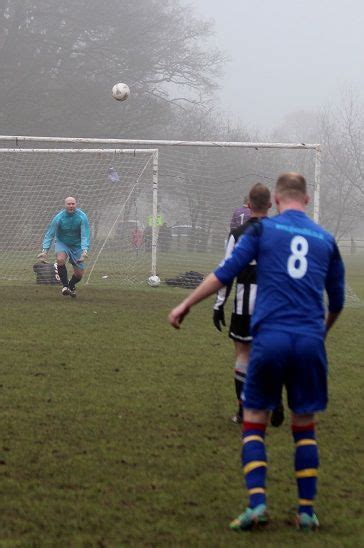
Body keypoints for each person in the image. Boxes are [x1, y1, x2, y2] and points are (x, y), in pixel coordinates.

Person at [169, 172, 345, 532]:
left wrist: (186, 304)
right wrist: (319, 333)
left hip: (270, 340)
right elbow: (337, 301)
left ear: (277, 201)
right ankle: (307, 511)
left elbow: (225, 272)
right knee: (304, 428)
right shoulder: (326, 239)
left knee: (253, 423)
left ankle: (257, 505)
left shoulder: (262, 231)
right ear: (306, 201)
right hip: (309, 341)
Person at [213, 183, 284, 427]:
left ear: (249, 205)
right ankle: (274, 399)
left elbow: (226, 270)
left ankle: (244, 410)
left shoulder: (238, 233)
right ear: (271, 204)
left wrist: (219, 304)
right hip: (274, 303)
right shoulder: (281, 232)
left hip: (245, 302)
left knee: (243, 354)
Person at [37, 197, 90, 297]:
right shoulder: (58, 218)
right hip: (62, 243)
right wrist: (44, 251)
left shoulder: (82, 217)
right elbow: (50, 234)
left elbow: (85, 234)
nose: (71, 206)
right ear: (65, 205)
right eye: (69, 204)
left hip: (77, 245)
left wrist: (84, 250)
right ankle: (65, 287)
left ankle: (71, 285)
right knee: (60, 259)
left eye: (73, 204)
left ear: (76, 204)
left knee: (79, 275)